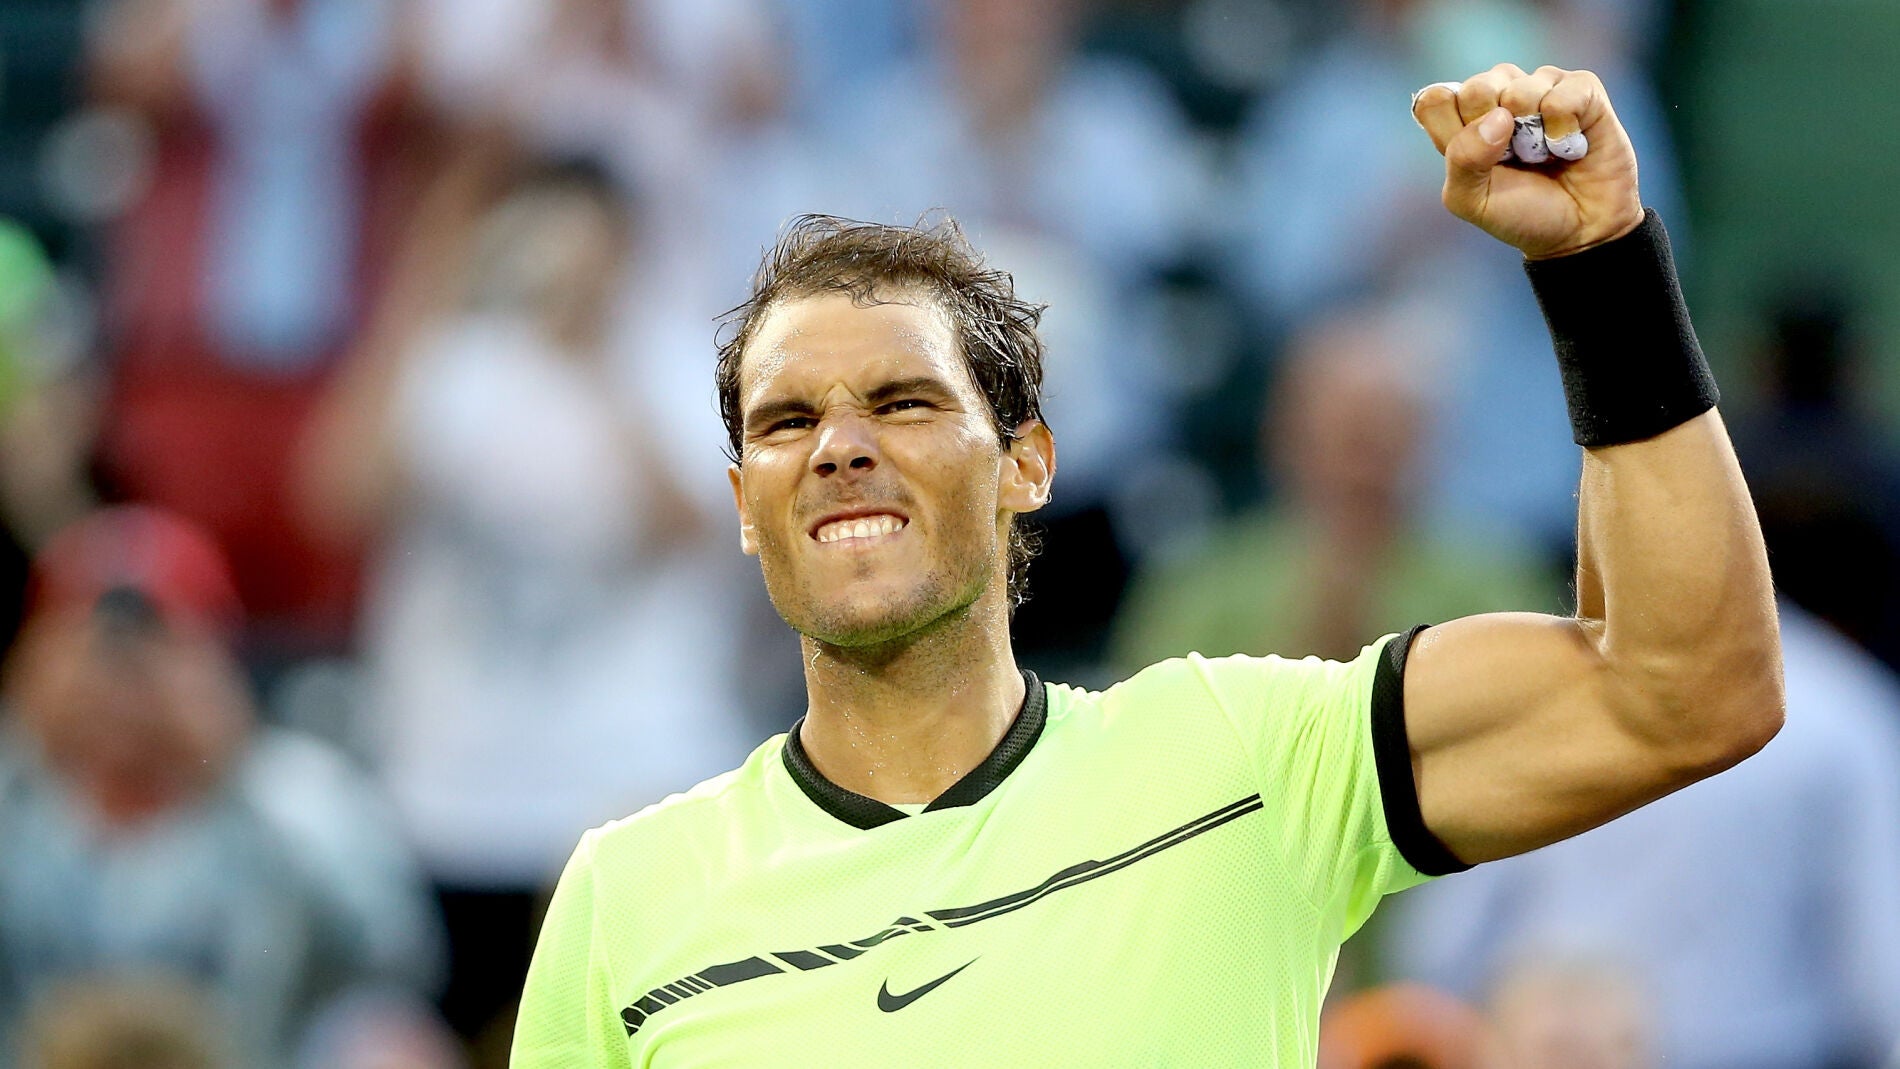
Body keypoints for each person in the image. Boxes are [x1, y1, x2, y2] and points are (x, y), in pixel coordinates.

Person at [511, 64, 1783, 1065]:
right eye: (788, 422)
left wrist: (1599, 265)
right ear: (745, 503)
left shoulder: (1247, 756)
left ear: (1027, 463)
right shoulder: (625, 898)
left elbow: (1687, 687)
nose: (840, 447)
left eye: (902, 402)